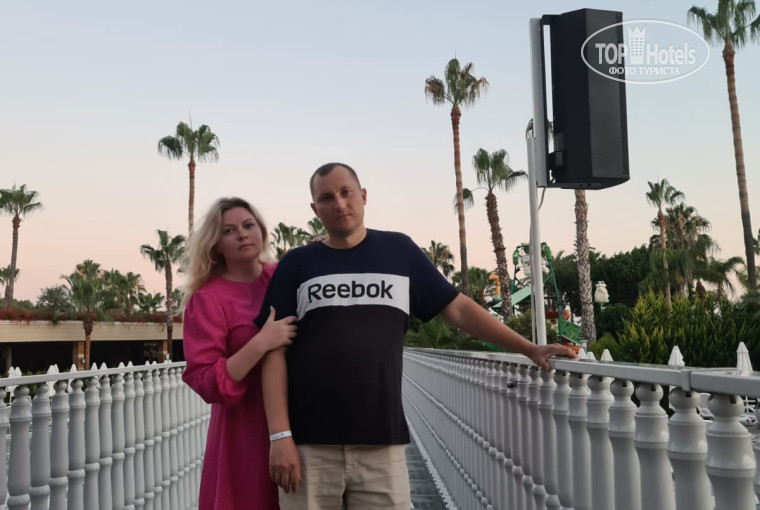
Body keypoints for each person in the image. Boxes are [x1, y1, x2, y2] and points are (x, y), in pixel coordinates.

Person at [258, 163, 577, 510]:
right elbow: (273, 352)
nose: (339, 203)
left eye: (346, 192)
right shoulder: (297, 264)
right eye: (326, 197)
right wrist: (280, 436)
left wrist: (528, 348)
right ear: (315, 209)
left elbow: (458, 309)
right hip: (308, 445)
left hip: (382, 442)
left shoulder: (399, 251)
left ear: (363, 195)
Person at [181, 197, 297, 510]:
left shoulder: (283, 276)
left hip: (299, 417)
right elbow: (205, 380)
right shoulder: (207, 299)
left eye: (248, 225)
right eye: (229, 231)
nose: (242, 234)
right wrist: (261, 342)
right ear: (216, 244)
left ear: (261, 231)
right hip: (243, 432)